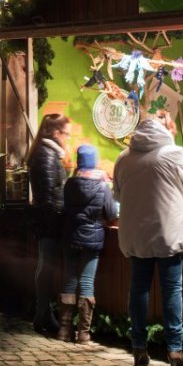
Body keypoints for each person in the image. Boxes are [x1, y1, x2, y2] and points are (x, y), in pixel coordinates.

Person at [113, 111, 183, 366]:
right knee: (171, 290)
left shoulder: (124, 158)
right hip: (169, 232)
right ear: (166, 130)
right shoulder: (175, 154)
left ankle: (138, 346)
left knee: (139, 289)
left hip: (135, 234)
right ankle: (175, 350)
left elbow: (118, 195)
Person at [58, 144, 116, 344]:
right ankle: (83, 333)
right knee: (87, 282)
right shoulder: (102, 186)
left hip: (70, 237)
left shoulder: (69, 184)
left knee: (69, 279)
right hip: (92, 239)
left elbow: (63, 208)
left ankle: (64, 330)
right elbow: (111, 213)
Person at [27, 114, 71, 336]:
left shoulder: (48, 153)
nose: (68, 138)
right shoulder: (46, 156)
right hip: (49, 221)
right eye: (66, 134)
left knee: (45, 265)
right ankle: (43, 313)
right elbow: (48, 194)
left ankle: (42, 313)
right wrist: (60, 217)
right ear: (56, 133)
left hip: (48, 219)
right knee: (46, 265)